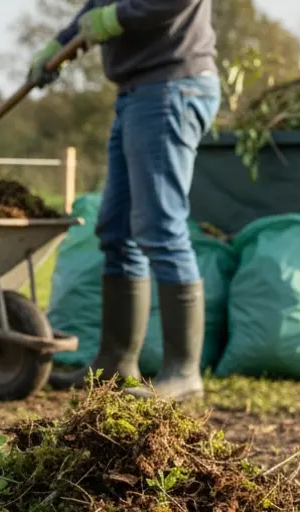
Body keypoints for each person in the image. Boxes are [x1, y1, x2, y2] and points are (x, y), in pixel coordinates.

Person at [32, 0, 219, 402]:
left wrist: (116, 18)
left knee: (162, 227)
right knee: (116, 231)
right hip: (137, 92)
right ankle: (115, 365)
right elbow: (98, 7)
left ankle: (183, 374)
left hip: (172, 86)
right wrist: (60, 43)